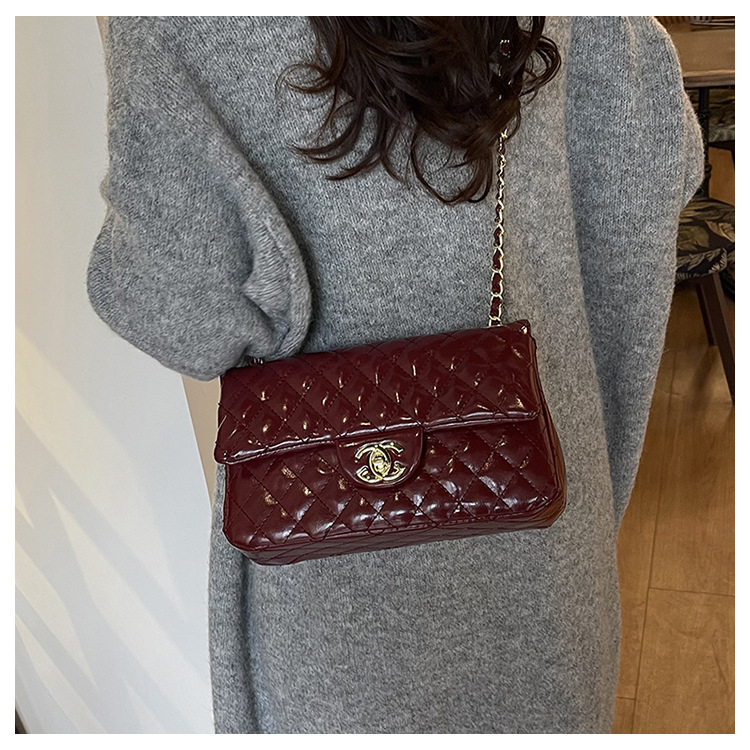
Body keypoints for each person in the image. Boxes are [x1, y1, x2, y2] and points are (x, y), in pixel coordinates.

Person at [86, 16, 703, 733]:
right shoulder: (607, 26)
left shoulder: (175, 23)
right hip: (548, 574)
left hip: (323, 586)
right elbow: (655, 170)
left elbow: (178, 313)